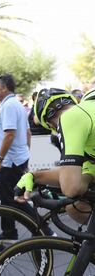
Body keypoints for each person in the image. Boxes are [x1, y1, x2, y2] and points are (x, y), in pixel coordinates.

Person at [16, 88, 95, 225]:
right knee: (75, 207)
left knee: (75, 208)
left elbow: (71, 188)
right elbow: (83, 171)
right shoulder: (89, 104)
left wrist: (86, 178)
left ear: (51, 125)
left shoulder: (70, 118)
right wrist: (35, 176)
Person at [0, 74, 53, 239]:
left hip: (10, 161)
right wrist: (25, 155)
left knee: (14, 198)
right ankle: (9, 232)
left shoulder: (10, 106)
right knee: (6, 197)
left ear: (4, 88)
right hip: (16, 158)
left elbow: (10, 134)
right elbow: (27, 133)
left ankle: (44, 229)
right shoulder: (13, 104)